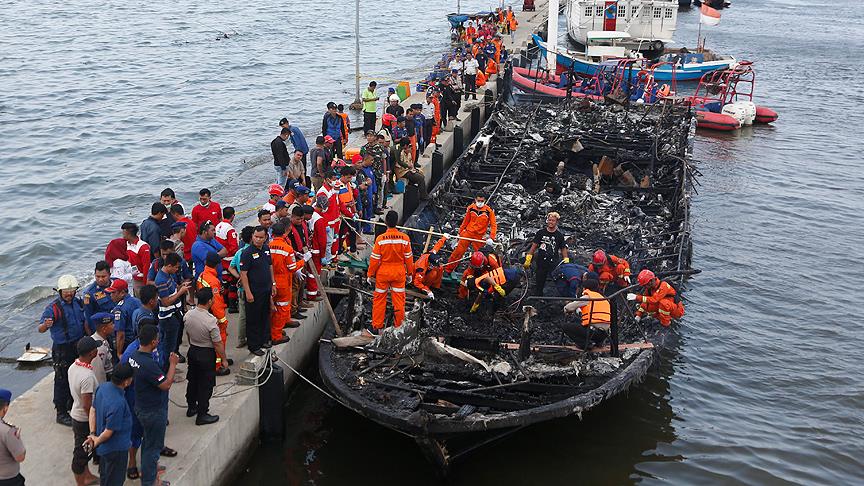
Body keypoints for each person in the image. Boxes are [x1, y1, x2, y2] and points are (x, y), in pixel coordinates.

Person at [128, 324, 179, 486]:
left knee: (148, 443)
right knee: (152, 448)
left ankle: (150, 471)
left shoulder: (134, 356)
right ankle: (150, 481)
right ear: (153, 342)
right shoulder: (148, 364)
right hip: (153, 411)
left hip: (141, 405)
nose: (158, 341)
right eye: (157, 339)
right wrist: (173, 364)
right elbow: (165, 385)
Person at [39, 275, 87, 426]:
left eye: (71, 291)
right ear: (59, 292)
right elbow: (40, 329)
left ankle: (70, 403)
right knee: (61, 379)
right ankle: (60, 412)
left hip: (77, 345)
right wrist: (46, 325)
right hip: (62, 349)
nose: (69, 294)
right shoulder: (52, 308)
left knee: (75, 376)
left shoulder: (78, 303)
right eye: (66, 292)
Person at [184, 288, 226, 425]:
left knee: (192, 380)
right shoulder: (210, 321)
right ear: (209, 301)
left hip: (193, 350)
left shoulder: (189, 315)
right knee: (205, 385)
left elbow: (188, 335)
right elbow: (218, 343)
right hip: (205, 354)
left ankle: (191, 407)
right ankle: (202, 414)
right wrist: (224, 359)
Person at [87, 362, 134, 486]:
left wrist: (92, 434)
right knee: (115, 480)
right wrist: (96, 441)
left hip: (104, 449)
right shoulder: (118, 403)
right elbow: (109, 432)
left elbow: (93, 410)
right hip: (116, 449)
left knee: (105, 476)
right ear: (126, 382)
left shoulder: (103, 388)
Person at [367, 211, 414, 331]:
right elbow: (409, 258)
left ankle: (377, 326)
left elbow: (375, 260)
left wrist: (370, 274)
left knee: (379, 299)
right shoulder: (405, 238)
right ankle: (399, 327)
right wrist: (410, 273)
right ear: (397, 222)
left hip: (383, 273)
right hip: (399, 273)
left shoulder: (380, 239)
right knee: (399, 300)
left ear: (386, 222)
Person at [69, 336, 100, 486]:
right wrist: (93, 423)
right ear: (91, 353)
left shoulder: (73, 367)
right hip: (84, 419)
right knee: (82, 452)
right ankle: (80, 482)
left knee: (84, 449)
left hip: (76, 413)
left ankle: (86, 475)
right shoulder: (87, 376)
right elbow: (87, 404)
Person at [240, 226, 275, 356]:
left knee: (265, 316)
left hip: (266, 290)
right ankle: (254, 345)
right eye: (256, 237)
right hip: (254, 292)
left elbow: (270, 267)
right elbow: (243, 274)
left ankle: (265, 340)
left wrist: (273, 284)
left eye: (261, 237)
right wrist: (248, 292)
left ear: (265, 237)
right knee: (253, 319)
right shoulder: (247, 253)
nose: (258, 239)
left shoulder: (266, 249)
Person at [154, 253, 192, 364]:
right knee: (168, 346)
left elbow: (174, 289)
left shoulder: (168, 276)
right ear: (169, 266)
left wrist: (182, 286)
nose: (177, 269)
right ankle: (166, 369)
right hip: (168, 318)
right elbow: (165, 302)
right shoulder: (161, 280)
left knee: (174, 343)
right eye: (176, 267)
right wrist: (181, 292)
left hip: (175, 314)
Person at [269, 223, 304, 342]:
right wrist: (303, 261)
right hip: (283, 280)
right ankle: (276, 335)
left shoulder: (268, 246)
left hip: (272, 279)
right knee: (282, 307)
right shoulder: (287, 248)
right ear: (284, 233)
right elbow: (292, 267)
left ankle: (284, 321)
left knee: (276, 307)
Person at [197, 252, 230, 374]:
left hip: (205, 312)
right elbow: (216, 303)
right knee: (219, 339)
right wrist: (222, 320)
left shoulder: (202, 275)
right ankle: (218, 366)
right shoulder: (213, 280)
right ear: (217, 265)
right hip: (214, 315)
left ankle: (221, 359)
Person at [445, 195, 497, 274]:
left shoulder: (489, 211)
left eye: (482, 201)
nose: (480, 202)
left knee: (481, 256)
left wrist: (491, 238)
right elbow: (465, 221)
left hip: (479, 236)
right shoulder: (471, 208)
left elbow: (494, 225)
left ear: (485, 200)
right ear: (475, 199)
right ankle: (448, 270)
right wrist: (460, 232)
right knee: (457, 252)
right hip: (468, 233)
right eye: (478, 200)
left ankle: (479, 274)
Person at [523, 212, 569, 296]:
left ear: (556, 222)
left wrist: (566, 259)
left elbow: (563, 248)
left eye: (553, 220)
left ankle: (553, 299)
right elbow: (534, 246)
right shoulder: (541, 233)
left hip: (553, 263)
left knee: (555, 282)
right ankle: (538, 298)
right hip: (541, 262)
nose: (551, 222)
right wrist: (528, 258)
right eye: (549, 220)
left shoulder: (559, 235)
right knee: (539, 283)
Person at [563, 275, 611, 348]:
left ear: (585, 288)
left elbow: (568, 307)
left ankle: (585, 344)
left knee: (565, 326)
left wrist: (567, 310)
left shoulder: (588, 297)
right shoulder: (603, 298)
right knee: (579, 321)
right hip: (604, 334)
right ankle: (597, 343)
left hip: (593, 332)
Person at [228, 226, 255, 349]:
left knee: (242, 315)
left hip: (241, 289)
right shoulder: (252, 252)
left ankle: (240, 339)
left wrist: (239, 276)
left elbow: (231, 267)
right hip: (251, 288)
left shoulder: (239, 252)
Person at [106, 276, 140, 356]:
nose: (111, 295)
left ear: (122, 293)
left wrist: (119, 353)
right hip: (139, 340)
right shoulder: (137, 301)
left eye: (113, 292)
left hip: (127, 344)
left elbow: (120, 334)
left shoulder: (119, 309)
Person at [215, 207, 240, 312]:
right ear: (233, 216)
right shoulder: (230, 229)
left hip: (221, 258)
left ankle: (224, 302)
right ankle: (232, 306)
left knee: (224, 282)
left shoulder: (218, 226)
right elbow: (233, 247)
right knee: (233, 283)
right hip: (229, 259)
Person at [0, 389, 26, 486]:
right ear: (5, 408)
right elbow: (20, 457)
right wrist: (17, 439)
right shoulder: (7, 431)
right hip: (8, 479)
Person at [120, 222, 150, 297]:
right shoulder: (126, 244)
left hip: (140, 280)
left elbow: (146, 266)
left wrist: (146, 284)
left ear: (128, 233)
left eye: (123, 232)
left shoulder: (143, 246)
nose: (122, 234)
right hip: (131, 278)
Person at [89, 312, 115, 384]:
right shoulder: (99, 348)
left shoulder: (102, 339)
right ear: (104, 328)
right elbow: (99, 373)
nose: (114, 326)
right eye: (111, 324)